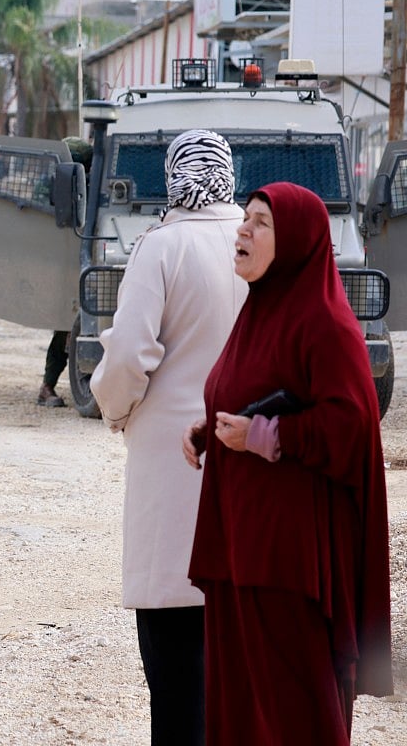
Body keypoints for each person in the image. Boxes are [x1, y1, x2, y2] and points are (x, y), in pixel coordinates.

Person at [183, 182, 393, 744]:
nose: (243, 230)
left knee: (294, 711)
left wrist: (264, 436)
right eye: (245, 218)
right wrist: (212, 430)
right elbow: (260, 389)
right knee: (244, 704)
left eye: (260, 223)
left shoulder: (325, 324)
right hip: (239, 545)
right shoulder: (260, 311)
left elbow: (351, 424)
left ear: (296, 241)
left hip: (288, 559)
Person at [89, 129, 247, 746]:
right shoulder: (256, 239)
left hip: (169, 458)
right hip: (247, 447)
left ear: (173, 175)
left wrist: (117, 410)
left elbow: (129, 352)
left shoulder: (162, 245)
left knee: (173, 641)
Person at [37, 136, 93, 408]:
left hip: (91, 260)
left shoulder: (97, 182)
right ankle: (47, 386)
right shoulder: (56, 184)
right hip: (66, 261)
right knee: (64, 327)